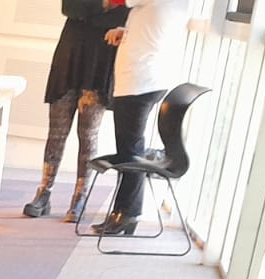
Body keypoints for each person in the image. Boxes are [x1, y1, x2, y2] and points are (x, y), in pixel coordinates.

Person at [93, 0, 191, 236]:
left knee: (129, 151)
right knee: (131, 148)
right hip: (146, 77)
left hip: (138, 81)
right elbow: (153, 23)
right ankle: (126, 211)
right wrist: (127, 32)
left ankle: (127, 213)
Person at [23, 0, 128, 221]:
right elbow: (70, 7)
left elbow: (124, 15)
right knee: (56, 132)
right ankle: (44, 192)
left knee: (88, 134)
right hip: (69, 56)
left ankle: (80, 196)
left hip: (101, 59)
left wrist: (91, 9)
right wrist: (106, 5)